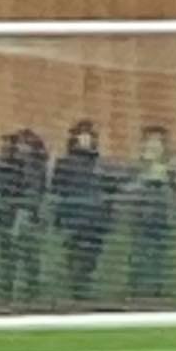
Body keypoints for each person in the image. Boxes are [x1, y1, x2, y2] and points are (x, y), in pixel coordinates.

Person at [119, 123, 176, 303]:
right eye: (150, 141)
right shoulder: (137, 166)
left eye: (158, 142)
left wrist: (168, 181)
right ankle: (135, 290)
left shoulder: (172, 166)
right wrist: (143, 182)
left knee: (159, 255)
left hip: (162, 217)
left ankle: (157, 291)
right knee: (138, 254)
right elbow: (127, 188)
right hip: (140, 217)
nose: (154, 145)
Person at [48, 119, 116, 303]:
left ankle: (83, 281)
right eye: (82, 136)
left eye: (89, 137)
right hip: (75, 217)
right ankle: (77, 286)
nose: (85, 141)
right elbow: (57, 189)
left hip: (96, 219)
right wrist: (60, 215)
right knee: (76, 251)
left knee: (92, 254)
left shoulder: (100, 165)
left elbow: (109, 190)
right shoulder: (65, 163)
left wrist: (108, 213)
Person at [0, 122, 52, 308]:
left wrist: (34, 209)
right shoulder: (8, 165)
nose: (21, 148)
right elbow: (2, 187)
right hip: (12, 213)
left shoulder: (37, 165)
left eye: (25, 143)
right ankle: (7, 291)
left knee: (29, 253)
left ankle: (30, 291)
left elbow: (38, 190)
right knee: (9, 254)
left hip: (27, 213)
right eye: (19, 143)